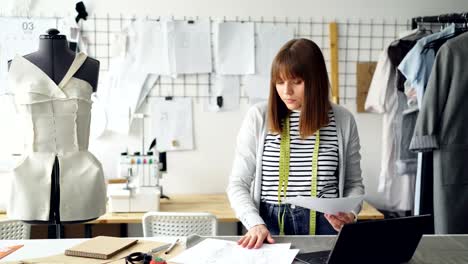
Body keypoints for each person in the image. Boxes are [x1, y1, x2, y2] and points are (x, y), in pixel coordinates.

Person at [227, 38, 365, 249]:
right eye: (280, 82)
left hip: (326, 226)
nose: (286, 91)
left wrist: (350, 214)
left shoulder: (343, 120)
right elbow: (238, 183)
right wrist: (254, 223)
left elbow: (354, 184)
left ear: (316, 80)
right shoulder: (259, 117)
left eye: (297, 81)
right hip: (269, 227)